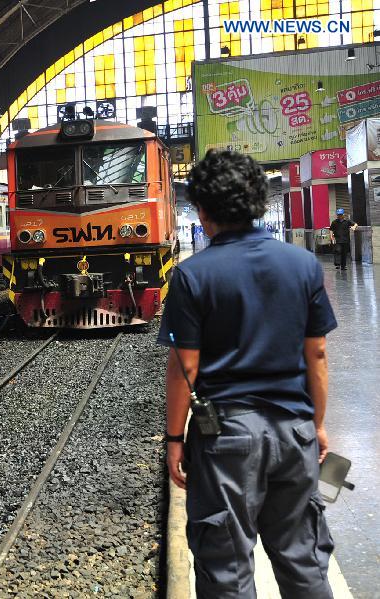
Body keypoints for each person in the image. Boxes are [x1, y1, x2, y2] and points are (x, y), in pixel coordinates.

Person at [160, 150, 336, 599]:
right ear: (258, 202)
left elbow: (187, 368)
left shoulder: (191, 276)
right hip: (294, 432)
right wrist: (315, 425)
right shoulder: (302, 266)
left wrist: (175, 440)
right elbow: (316, 354)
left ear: (200, 209)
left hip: (226, 441)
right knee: (303, 559)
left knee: (227, 569)